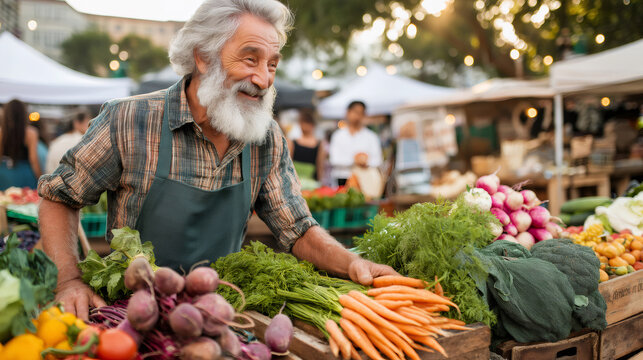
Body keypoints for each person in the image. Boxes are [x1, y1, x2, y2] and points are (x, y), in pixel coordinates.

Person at [38, 0, 396, 320]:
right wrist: (67, 280)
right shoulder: (130, 120)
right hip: (131, 316)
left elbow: (298, 228)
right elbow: (58, 198)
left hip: (218, 317)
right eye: (250, 58)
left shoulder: (266, 138)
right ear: (203, 56)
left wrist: (354, 263)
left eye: (272, 64)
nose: (264, 79)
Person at [329, 101, 383, 186]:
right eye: (355, 112)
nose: (357, 116)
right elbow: (334, 159)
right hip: (342, 177)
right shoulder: (338, 136)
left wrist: (365, 162)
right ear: (348, 112)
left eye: (360, 113)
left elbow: (378, 160)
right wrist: (354, 161)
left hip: (364, 179)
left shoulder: (371, 136)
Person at [0, 99, 42, 189]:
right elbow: (33, 159)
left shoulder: (1, 132)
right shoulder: (31, 132)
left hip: (4, 173)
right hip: (25, 173)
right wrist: (41, 178)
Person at [288, 109, 324, 181]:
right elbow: (289, 163)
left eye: (307, 122)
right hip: (294, 179)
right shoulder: (293, 142)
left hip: (312, 181)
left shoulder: (319, 144)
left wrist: (320, 180)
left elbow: (320, 165)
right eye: (302, 122)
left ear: (312, 125)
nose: (304, 125)